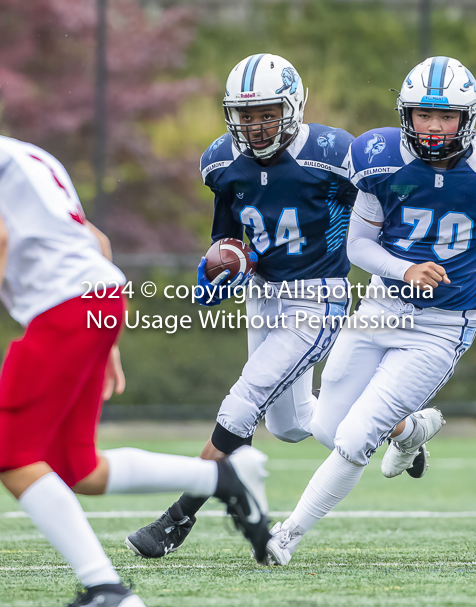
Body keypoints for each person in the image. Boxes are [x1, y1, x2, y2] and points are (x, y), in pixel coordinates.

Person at [0, 45, 270, 607]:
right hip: (95, 298)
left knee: (12, 457)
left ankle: (105, 589)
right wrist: (103, 334)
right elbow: (96, 242)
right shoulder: (25, 154)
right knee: (79, 468)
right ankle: (222, 479)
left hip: (68, 307)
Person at [263, 56, 476, 566]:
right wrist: (402, 269)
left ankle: (287, 534)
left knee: (353, 436)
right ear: (405, 115)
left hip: (440, 326)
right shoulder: (381, 157)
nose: (433, 127)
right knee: (325, 426)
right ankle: (412, 430)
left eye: (446, 117)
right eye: (423, 115)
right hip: (380, 309)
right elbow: (358, 247)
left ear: (468, 118)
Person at [126, 53, 361, 559]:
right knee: (292, 424)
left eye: (267, 113)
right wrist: (220, 269)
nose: (256, 126)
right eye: (246, 114)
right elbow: (229, 239)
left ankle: (176, 519)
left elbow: (377, 207)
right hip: (264, 297)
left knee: (244, 400)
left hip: (316, 297)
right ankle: (399, 426)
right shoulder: (221, 163)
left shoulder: (332, 152)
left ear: (292, 108)